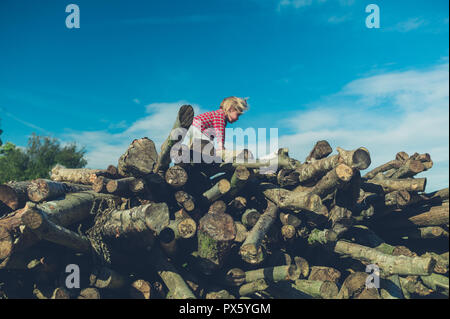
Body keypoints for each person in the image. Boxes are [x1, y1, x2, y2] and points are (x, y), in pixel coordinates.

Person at [187, 96, 248, 161]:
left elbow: (211, 135)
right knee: (203, 144)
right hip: (196, 127)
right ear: (231, 109)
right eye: (237, 114)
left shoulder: (219, 116)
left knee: (200, 143)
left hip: (194, 128)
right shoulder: (220, 115)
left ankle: (190, 153)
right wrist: (221, 146)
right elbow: (220, 132)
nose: (238, 118)